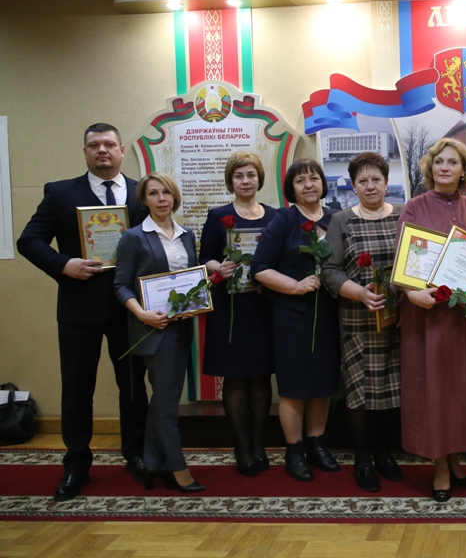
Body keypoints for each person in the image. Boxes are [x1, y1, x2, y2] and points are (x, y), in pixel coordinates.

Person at [17, 123, 149, 502]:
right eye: (94, 145)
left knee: (133, 387)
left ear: (121, 150)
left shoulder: (143, 192)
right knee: (77, 390)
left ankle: (136, 454)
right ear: (85, 151)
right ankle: (76, 463)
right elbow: (29, 240)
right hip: (79, 307)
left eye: (109, 144)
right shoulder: (61, 193)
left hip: (130, 308)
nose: (102, 150)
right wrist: (64, 264)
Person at [397, 138, 466, 502]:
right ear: (430, 168)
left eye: (453, 162)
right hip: (429, 319)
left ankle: (456, 459)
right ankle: (441, 467)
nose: (445, 167)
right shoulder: (414, 207)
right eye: (439, 161)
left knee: (463, 391)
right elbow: (403, 262)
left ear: (464, 171)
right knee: (434, 391)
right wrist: (412, 294)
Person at [114, 172, 204, 493]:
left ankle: (152, 462)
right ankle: (177, 468)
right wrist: (142, 313)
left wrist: (196, 302)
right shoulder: (133, 237)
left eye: (166, 192)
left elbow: (191, 279)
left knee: (164, 400)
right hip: (153, 331)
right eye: (153, 193)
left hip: (182, 329)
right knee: (166, 405)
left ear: (174, 196)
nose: (161, 198)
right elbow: (121, 285)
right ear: (144, 199)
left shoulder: (186, 234)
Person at [253, 159, 341, 482]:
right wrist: (295, 286)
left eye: (313, 178)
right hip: (292, 316)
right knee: (294, 386)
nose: (308, 185)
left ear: (323, 183)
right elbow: (260, 268)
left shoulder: (335, 218)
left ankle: (317, 444)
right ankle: (294, 449)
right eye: (300, 180)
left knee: (323, 383)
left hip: (329, 314)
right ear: (292, 188)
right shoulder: (284, 220)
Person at [322, 152, 403, 493]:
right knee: (360, 390)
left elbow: (416, 260)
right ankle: (362, 457)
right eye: (363, 181)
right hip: (357, 316)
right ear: (353, 186)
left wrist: (398, 293)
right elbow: (330, 270)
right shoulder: (341, 221)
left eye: (376, 180)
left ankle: (384, 452)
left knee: (393, 388)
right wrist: (359, 293)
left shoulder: (402, 215)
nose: (370, 186)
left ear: (386, 183)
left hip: (398, 316)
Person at [199, 152, 276, 477]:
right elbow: (204, 258)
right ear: (231, 181)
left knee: (261, 377)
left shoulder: (275, 216)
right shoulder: (218, 216)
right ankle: (241, 447)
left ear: (259, 179)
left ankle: (258, 444)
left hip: (264, 306)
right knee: (234, 379)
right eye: (239, 176)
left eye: (251, 175)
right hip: (230, 309)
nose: (246, 181)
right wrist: (218, 266)